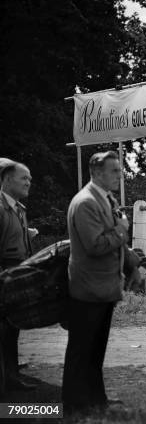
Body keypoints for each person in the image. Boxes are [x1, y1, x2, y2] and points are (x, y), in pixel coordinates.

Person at [62, 151, 140, 412]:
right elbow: (95, 245)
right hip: (89, 288)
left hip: (104, 287)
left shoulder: (106, 198)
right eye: (114, 171)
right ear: (96, 173)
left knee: (95, 351)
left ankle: (97, 400)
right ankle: (73, 406)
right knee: (81, 351)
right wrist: (122, 229)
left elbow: (114, 242)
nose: (120, 175)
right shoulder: (85, 203)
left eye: (120, 170)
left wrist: (132, 267)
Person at [0, 160, 36, 390]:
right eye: (24, 178)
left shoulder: (18, 208)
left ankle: (10, 373)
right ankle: (8, 378)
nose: (28, 182)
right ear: (6, 179)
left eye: (29, 178)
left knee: (11, 328)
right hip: (4, 275)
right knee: (5, 329)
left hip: (16, 274)